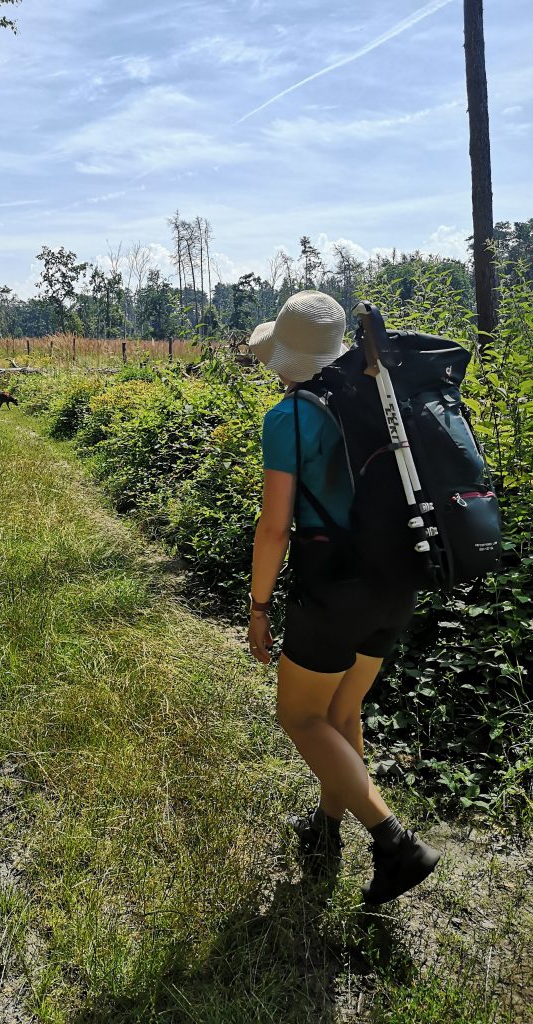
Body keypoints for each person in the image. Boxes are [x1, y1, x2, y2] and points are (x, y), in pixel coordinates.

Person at [246, 290, 440, 905]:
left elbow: (275, 527)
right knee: (340, 715)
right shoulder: (382, 396)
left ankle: (393, 840)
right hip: (398, 581)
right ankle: (326, 829)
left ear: (288, 357)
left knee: (299, 716)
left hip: (335, 587)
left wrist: (256, 608)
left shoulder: (291, 417)